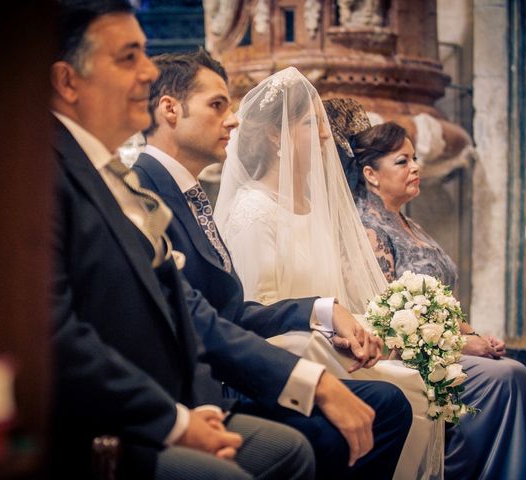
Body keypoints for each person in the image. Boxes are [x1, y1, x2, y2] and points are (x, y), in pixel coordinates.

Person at [49, 1, 319, 478]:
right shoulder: (50, 173)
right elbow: (60, 336)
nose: (149, 72)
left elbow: (186, 304)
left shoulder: (112, 175)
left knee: (295, 448)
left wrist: (304, 375)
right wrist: (176, 421)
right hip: (101, 427)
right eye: (128, 57)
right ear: (68, 81)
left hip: (181, 396)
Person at [133, 53, 413, 479]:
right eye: (217, 105)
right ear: (170, 109)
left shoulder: (182, 193)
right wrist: (309, 381)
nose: (232, 121)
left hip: (220, 376)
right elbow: (194, 320)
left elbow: (226, 310)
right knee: (378, 409)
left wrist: (320, 308)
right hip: (197, 393)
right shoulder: (142, 195)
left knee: (388, 403)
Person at [213, 67, 444, 479]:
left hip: (325, 340)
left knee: (423, 388)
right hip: (286, 351)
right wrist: (332, 335)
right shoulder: (253, 211)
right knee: (409, 395)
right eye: (311, 123)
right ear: (275, 135)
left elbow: (332, 296)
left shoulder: (312, 208)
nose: (325, 135)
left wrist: (360, 332)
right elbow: (252, 315)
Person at [327, 98, 526, 479]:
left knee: (510, 369)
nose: (415, 167)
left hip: (438, 346)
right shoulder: (370, 231)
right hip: (403, 356)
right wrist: (462, 344)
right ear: (372, 175)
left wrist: (475, 336)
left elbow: (438, 305)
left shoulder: (409, 224)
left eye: (414, 158)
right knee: (508, 376)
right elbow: (386, 316)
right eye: (402, 161)